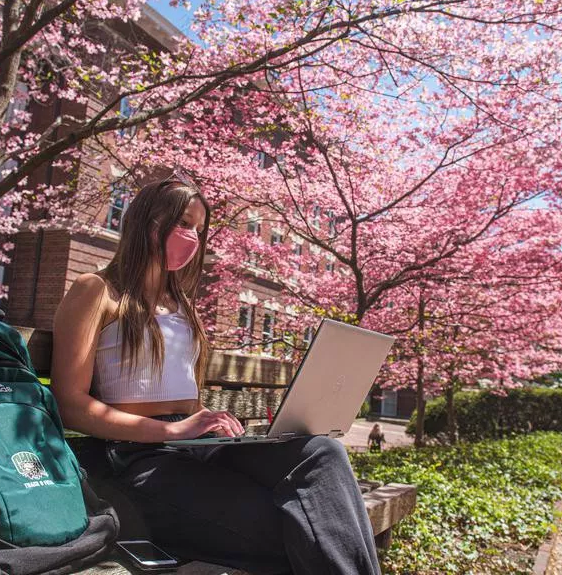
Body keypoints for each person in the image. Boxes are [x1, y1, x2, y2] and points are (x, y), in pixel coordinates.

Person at [50, 176, 381, 575]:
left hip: (199, 447)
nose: (193, 237)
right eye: (184, 223)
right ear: (147, 221)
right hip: (139, 456)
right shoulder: (97, 290)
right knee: (309, 528)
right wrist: (172, 432)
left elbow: (180, 395)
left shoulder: (182, 305)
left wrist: (210, 420)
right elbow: (70, 405)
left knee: (323, 451)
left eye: (198, 229)